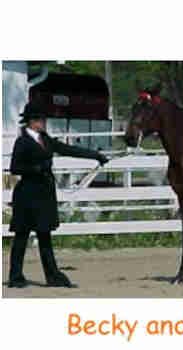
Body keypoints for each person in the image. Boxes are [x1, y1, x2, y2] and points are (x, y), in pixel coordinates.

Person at [7, 102, 109, 288]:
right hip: (28, 194)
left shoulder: (45, 139)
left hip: (44, 194)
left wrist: (95, 155)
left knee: (45, 236)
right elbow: (15, 167)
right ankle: (16, 276)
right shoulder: (22, 142)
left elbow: (68, 149)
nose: (43, 122)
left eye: (43, 119)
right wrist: (36, 168)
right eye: (39, 119)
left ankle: (53, 276)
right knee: (21, 236)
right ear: (30, 121)